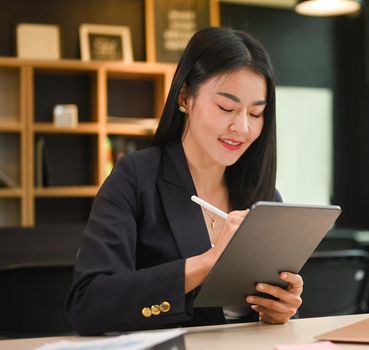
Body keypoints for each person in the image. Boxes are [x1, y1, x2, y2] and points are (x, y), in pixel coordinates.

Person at [66, 27, 304, 335]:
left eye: (256, 113)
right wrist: (209, 263)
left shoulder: (265, 195)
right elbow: (87, 306)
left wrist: (282, 308)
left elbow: (275, 315)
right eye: (226, 108)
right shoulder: (134, 177)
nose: (242, 128)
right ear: (184, 97)